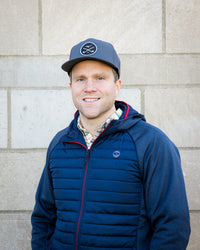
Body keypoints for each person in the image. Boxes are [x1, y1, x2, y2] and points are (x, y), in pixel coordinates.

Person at [31, 38, 190, 250]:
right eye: (80, 79)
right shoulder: (60, 144)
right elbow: (43, 217)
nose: (89, 87)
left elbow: (173, 227)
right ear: (71, 86)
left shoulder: (151, 143)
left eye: (99, 77)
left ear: (117, 86)